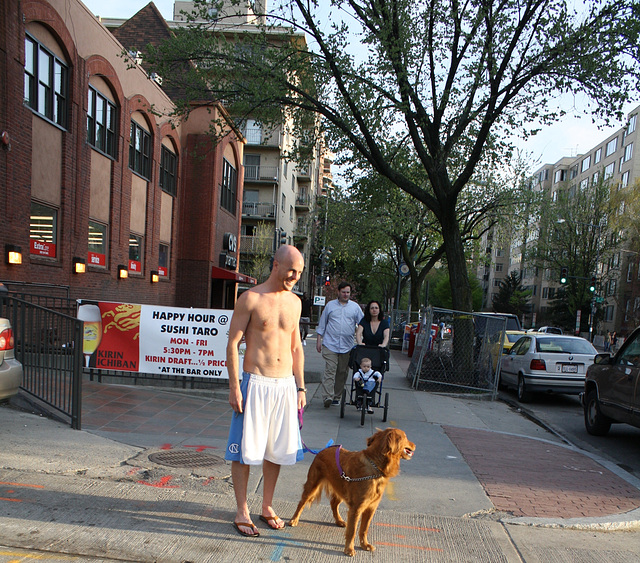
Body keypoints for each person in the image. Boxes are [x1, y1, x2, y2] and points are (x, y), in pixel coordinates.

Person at [225, 245, 306, 538]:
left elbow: (296, 347)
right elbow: (233, 344)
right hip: (255, 383)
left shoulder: (295, 303)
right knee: (245, 451)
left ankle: (267, 505)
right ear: (275, 265)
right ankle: (242, 509)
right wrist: (235, 387)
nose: (294, 277)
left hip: (284, 386)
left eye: (299, 273)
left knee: (276, 451)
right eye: (290, 270)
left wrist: (300, 386)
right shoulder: (250, 298)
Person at [316, 281, 364, 408]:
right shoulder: (330, 306)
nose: (345, 294)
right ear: (338, 292)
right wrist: (318, 340)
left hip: (346, 346)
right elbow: (322, 324)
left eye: (348, 292)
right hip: (330, 344)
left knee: (342, 372)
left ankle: (337, 396)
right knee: (330, 370)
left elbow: (362, 324)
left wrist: (362, 339)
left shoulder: (355, 307)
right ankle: (327, 396)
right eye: (343, 292)